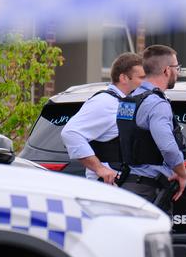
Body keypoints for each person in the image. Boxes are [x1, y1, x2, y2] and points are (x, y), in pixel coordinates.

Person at [115, 44, 186, 207]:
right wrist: (182, 173)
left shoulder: (130, 99)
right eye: (177, 68)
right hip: (150, 190)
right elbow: (168, 147)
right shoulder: (157, 104)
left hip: (128, 184)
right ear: (167, 70)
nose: (178, 72)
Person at [61, 52, 145, 184]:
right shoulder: (105, 102)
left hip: (127, 183)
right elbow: (70, 133)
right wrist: (99, 168)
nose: (145, 82)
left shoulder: (125, 102)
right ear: (123, 78)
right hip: (108, 186)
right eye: (141, 77)